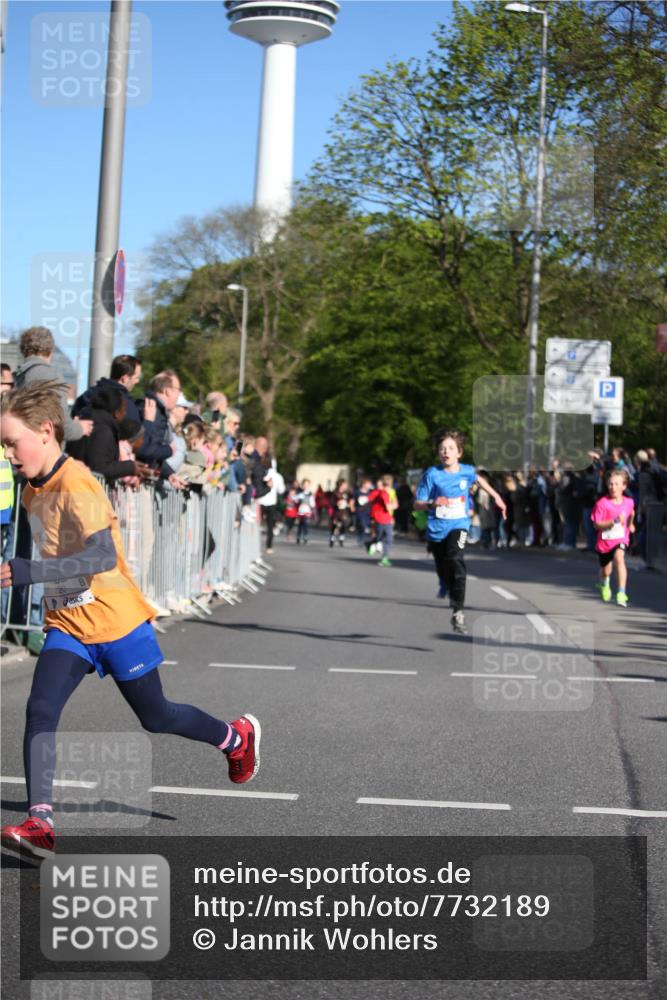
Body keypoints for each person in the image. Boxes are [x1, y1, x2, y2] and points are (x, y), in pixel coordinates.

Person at [0, 381, 260, 860]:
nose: (9, 454)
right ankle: (41, 823)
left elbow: (99, 556)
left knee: (156, 717)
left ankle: (234, 737)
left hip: (117, 622)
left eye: (11, 443)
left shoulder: (77, 483)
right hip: (69, 627)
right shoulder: (33, 491)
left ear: (44, 431)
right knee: (41, 710)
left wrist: (30, 572)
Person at [414, 428, 506, 635]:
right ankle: (445, 583)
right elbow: (417, 504)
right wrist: (431, 503)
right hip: (437, 528)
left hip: (459, 524)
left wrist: (496, 497)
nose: (446, 452)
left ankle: (458, 612)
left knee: (456, 560)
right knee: (443, 567)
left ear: (459, 453)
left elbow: (479, 480)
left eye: (450, 448)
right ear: (438, 453)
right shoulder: (432, 474)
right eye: (442, 449)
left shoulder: (466, 471)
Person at [13, 326, 92, 443]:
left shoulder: (17, 377)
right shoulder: (50, 376)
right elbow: (61, 426)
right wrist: (81, 428)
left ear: (24, 351)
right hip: (44, 454)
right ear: (50, 350)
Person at [591, 468, 635, 606]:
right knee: (606, 570)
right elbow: (596, 525)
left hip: (621, 538)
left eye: (616, 484)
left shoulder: (628, 502)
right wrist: (612, 522)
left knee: (619, 559)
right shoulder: (602, 503)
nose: (613, 487)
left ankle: (621, 592)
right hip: (605, 542)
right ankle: (605, 583)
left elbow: (631, 513)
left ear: (624, 486)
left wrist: (630, 525)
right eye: (610, 484)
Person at [72, 354, 143, 424]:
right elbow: (135, 433)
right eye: (136, 378)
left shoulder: (86, 396)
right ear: (124, 378)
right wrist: (149, 422)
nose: (137, 381)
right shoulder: (125, 405)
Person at [367, 475, 395, 567]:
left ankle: (384, 557)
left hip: (385, 518)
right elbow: (388, 506)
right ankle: (372, 544)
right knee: (384, 538)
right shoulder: (384, 493)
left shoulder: (384, 493)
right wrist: (392, 506)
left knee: (386, 538)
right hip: (382, 519)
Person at [329, 478, 354, 547]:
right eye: (344, 485)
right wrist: (337, 503)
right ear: (340, 485)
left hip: (344, 511)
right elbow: (331, 502)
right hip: (337, 512)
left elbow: (351, 501)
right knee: (335, 525)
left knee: (343, 525)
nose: (345, 486)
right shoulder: (335, 493)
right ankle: (332, 538)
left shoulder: (348, 493)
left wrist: (350, 504)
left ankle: (341, 538)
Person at [295, 479, 315, 544]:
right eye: (305, 484)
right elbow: (296, 500)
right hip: (301, 509)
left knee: (306, 523)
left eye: (307, 484)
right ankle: (298, 536)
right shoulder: (300, 493)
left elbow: (312, 503)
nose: (306, 486)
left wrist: (312, 507)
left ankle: (305, 536)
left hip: (307, 509)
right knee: (300, 524)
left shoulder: (310, 494)